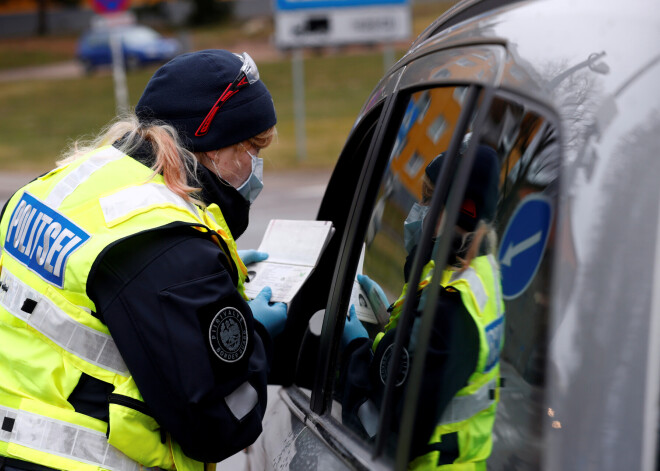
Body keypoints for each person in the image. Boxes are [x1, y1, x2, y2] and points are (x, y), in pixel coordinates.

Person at [0, 49, 287, 471]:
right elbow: (221, 424)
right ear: (211, 148)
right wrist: (251, 328)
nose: (255, 165)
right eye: (251, 147)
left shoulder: (57, 186)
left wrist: (201, 279)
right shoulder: (170, 250)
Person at [340, 144, 505, 469]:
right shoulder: (475, 275)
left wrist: (354, 348)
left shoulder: (450, 311)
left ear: (455, 210)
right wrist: (391, 326)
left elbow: (392, 434)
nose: (418, 208)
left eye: (428, 199)